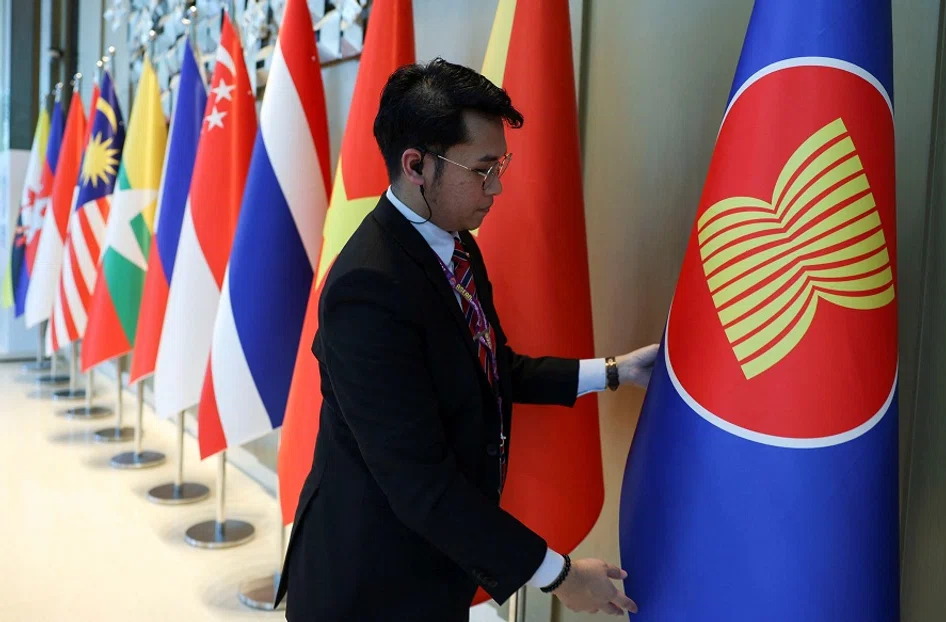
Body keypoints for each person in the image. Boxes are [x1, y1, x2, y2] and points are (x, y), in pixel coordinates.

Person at [277, 58, 659, 621]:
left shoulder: (455, 243)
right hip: (369, 579)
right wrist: (560, 575)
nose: (498, 186)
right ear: (417, 166)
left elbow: (492, 368)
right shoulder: (367, 287)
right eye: (483, 169)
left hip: (437, 564)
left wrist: (615, 371)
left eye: (499, 164)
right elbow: (420, 483)